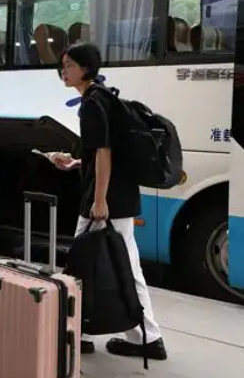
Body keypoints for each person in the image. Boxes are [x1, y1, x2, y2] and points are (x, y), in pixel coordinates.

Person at [52, 42, 167, 360]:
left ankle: (101, 334)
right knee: (117, 264)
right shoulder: (104, 97)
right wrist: (78, 163)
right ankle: (100, 333)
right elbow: (103, 153)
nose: (63, 71)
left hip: (107, 200)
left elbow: (105, 152)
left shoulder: (93, 103)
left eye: (69, 65)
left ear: (86, 68)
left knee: (88, 262)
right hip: (120, 196)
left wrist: (100, 200)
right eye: (62, 65)